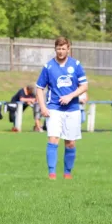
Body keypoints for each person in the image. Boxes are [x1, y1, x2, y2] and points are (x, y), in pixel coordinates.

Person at [36, 36, 88, 180]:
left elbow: (84, 86)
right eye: (58, 48)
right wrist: (43, 107)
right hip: (54, 108)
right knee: (53, 139)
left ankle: (67, 173)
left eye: (63, 48)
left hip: (72, 109)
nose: (60, 51)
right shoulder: (48, 67)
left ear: (68, 49)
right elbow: (39, 88)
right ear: (55, 49)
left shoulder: (76, 65)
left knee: (70, 142)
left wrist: (70, 96)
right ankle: (52, 173)